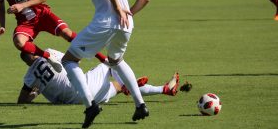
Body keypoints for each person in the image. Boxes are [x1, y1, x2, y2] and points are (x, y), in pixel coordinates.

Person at [60, 0, 151, 128]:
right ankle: (140, 105)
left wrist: (118, 8)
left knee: (68, 60)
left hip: (105, 22)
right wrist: (129, 14)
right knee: (116, 61)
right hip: (126, 25)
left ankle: (90, 106)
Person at [17, 49, 179, 105]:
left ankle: (165, 89)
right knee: (111, 63)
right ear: (34, 51)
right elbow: (74, 61)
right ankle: (129, 84)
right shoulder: (49, 52)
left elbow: (21, 101)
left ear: (26, 63)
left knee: (117, 87)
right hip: (82, 87)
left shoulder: (30, 77)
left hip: (75, 101)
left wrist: (36, 93)